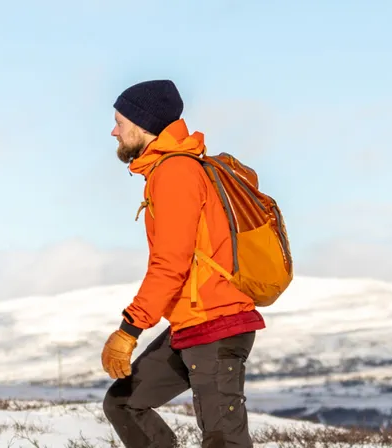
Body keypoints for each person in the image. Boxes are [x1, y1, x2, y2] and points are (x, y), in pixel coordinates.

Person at [99, 79, 267, 448]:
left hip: (217, 324)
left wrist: (129, 329)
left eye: (119, 122)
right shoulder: (166, 170)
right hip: (192, 323)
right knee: (124, 403)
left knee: (224, 440)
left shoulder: (175, 173)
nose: (113, 131)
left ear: (144, 126)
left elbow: (170, 262)